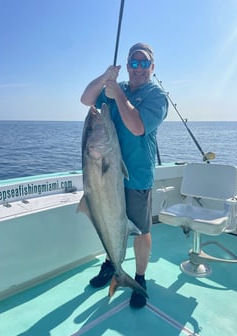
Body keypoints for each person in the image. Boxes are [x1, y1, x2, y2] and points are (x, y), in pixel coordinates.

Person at [80, 43, 168, 308]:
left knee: (141, 231)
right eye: (134, 62)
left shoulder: (157, 97)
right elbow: (86, 99)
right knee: (109, 220)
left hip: (137, 176)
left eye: (144, 63)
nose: (138, 68)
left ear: (152, 67)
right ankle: (112, 264)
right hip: (107, 177)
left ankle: (139, 279)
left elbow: (138, 127)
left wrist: (116, 91)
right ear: (127, 65)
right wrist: (106, 78)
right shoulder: (115, 89)